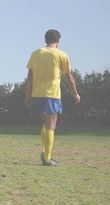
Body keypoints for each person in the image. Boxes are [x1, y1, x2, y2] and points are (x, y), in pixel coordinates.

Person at [25, 29, 80, 166]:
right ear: (58, 40)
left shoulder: (35, 54)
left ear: (45, 39)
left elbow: (29, 77)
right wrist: (75, 93)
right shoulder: (61, 55)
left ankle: (45, 153)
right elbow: (69, 77)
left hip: (37, 93)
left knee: (45, 123)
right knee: (51, 125)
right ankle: (47, 158)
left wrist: (28, 95)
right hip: (52, 94)